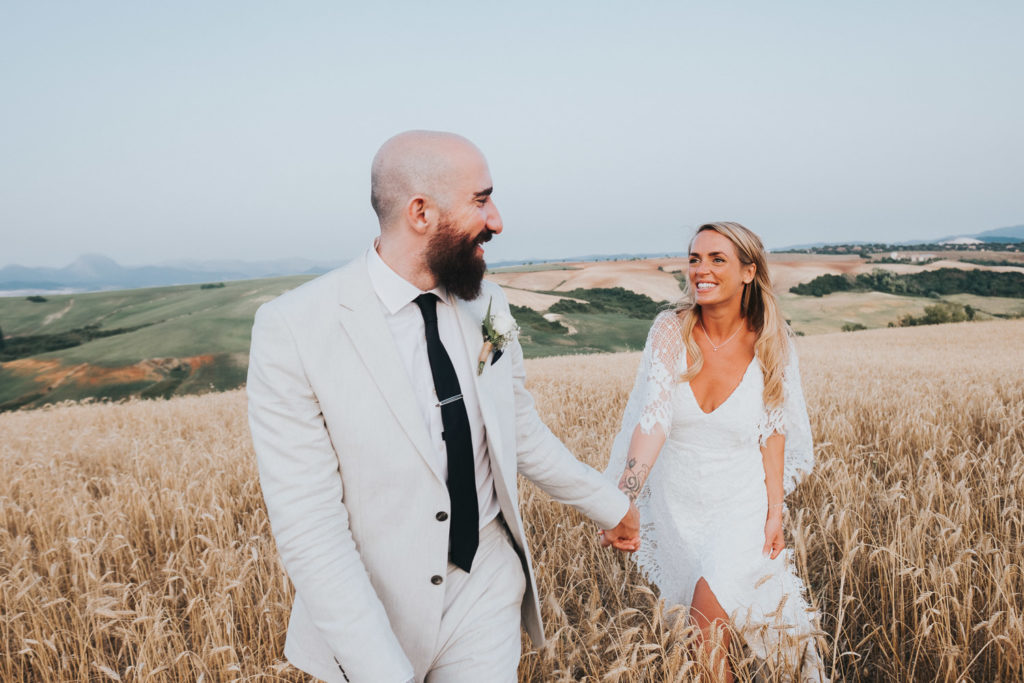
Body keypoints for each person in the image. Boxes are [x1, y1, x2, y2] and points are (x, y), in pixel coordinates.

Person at [247, 130, 639, 683]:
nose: (497, 220)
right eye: (481, 200)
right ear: (421, 212)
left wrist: (610, 504)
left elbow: (517, 430)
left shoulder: (489, 302)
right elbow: (312, 530)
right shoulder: (294, 329)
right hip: (372, 618)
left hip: (486, 590)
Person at [604, 222, 827, 682]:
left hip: (740, 509)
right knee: (697, 641)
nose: (700, 270)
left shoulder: (770, 338)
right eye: (694, 259)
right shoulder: (670, 330)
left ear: (748, 271)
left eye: (716, 259)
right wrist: (625, 495)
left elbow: (773, 431)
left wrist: (774, 512)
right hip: (679, 507)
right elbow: (654, 421)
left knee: (705, 630)